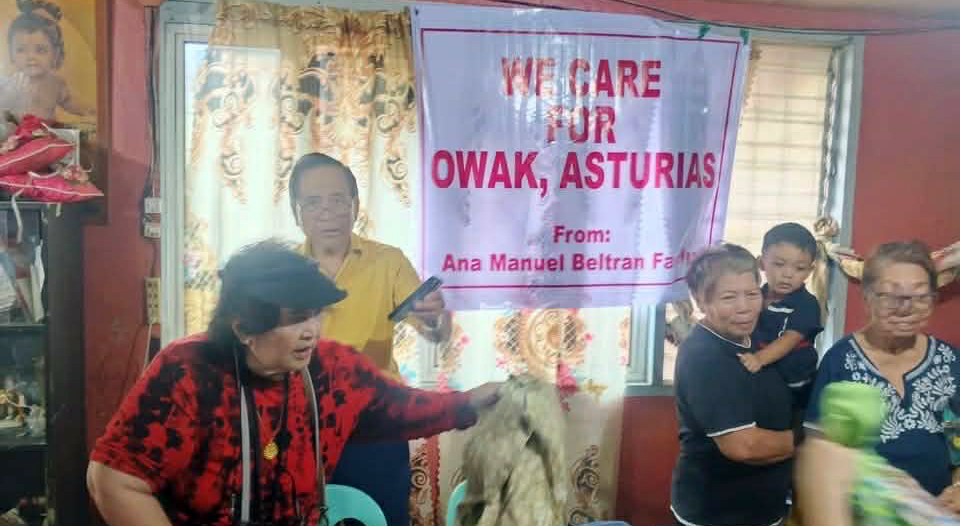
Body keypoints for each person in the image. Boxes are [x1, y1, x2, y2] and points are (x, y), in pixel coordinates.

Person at [86, 240, 499, 526]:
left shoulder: (333, 368)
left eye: (316, 314)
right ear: (244, 328)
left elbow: (401, 408)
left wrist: (470, 402)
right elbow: (113, 480)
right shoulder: (187, 372)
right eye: (296, 319)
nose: (311, 332)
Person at [288, 152, 449, 525]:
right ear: (297, 212)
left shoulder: (388, 262)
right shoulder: (284, 271)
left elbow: (435, 332)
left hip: (376, 427)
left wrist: (436, 317)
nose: (327, 213)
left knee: (382, 517)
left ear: (355, 205)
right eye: (313, 203)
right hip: (302, 428)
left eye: (337, 200)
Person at [805, 241, 960, 503]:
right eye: (891, 295)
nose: (906, 307)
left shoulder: (951, 360)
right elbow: (818, 453)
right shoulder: (840, 361)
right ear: (867, 297)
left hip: (938, 512)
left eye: (920, 296)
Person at [671, 243, 796, 526]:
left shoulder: (755, 336)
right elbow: (744, 446)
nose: (744, 308)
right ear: (701, 302)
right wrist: (808, 439)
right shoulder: (705, 356)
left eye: (752, 294)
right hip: (720, 513)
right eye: (729, 297)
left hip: (762, 506)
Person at [739, 223, 822, 412]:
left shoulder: (806, 304)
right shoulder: (755, 296)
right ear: (761, 263)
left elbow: (789, 340)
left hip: (796, 387)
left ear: (809, 271)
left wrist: (759, 359)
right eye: (779, 264)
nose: (788, 274)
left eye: (799, 268)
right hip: (763, 377)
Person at [0, 0, 94, 122]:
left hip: (46, 130)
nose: (30, 57)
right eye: (21, 50)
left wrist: (88, 110)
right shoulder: (13, 84)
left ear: (55, 54)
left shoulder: (56, 84)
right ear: (11, 54)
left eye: (40, 50)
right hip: (20, 130)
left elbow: (70, 102)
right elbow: (4, 107)